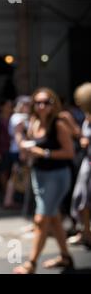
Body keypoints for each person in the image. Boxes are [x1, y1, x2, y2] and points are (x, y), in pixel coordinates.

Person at [14, 88, 75, 274]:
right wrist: (23, 144)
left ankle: (31, 263)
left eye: (46, 102)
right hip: (38, 175)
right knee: (53, 218)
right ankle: (66, 257)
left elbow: (69, 152)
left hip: (57, 176)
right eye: (38, 102)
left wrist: (45, 153)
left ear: (53, 104)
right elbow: (27, 145)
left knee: (41, 219)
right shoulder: (33, 122)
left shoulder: (59, 123)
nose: (41, 106)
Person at [68, 82, 91, 247]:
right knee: (80, 198)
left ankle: (86, 233)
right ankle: (85, 232)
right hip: (87, 162)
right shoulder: (87, 116)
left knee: (84, 199)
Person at [4, 95, 31, 208]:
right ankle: (10, 200)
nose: (28, 107)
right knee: (17, 176)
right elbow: (18, 135)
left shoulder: (17, 116)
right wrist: (22, 151)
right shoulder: (19, 117)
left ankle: (9, 200)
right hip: (19, 150)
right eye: (26, 104)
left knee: (15, 175)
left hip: (17, 149)